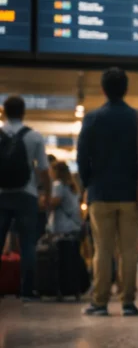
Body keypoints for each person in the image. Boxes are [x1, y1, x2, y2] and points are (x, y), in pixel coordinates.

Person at [77, 67, 138, 316]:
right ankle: (128, 302)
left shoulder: (93, 118)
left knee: (103, 249)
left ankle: (100, 302)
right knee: (129, 250)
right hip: (132, 193)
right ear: (126, 89)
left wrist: (89, 183)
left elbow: (81, 158)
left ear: (103, 89)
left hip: (100, 193)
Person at [0, 95, 51, 301]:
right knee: (27, 244)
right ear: (23, 113)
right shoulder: (34, 136)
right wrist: (47, 194)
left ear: (3, 111)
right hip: (27, 195)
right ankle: (27, 290)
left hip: (1, 195)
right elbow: (44, 170)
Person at [48, 161, 82, 233]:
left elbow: (54, 202)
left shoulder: (58, 184)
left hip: (62, 226)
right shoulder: (72, 186)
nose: (49, 173)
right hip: (74, 225)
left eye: (50, 170)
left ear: (56, 171)